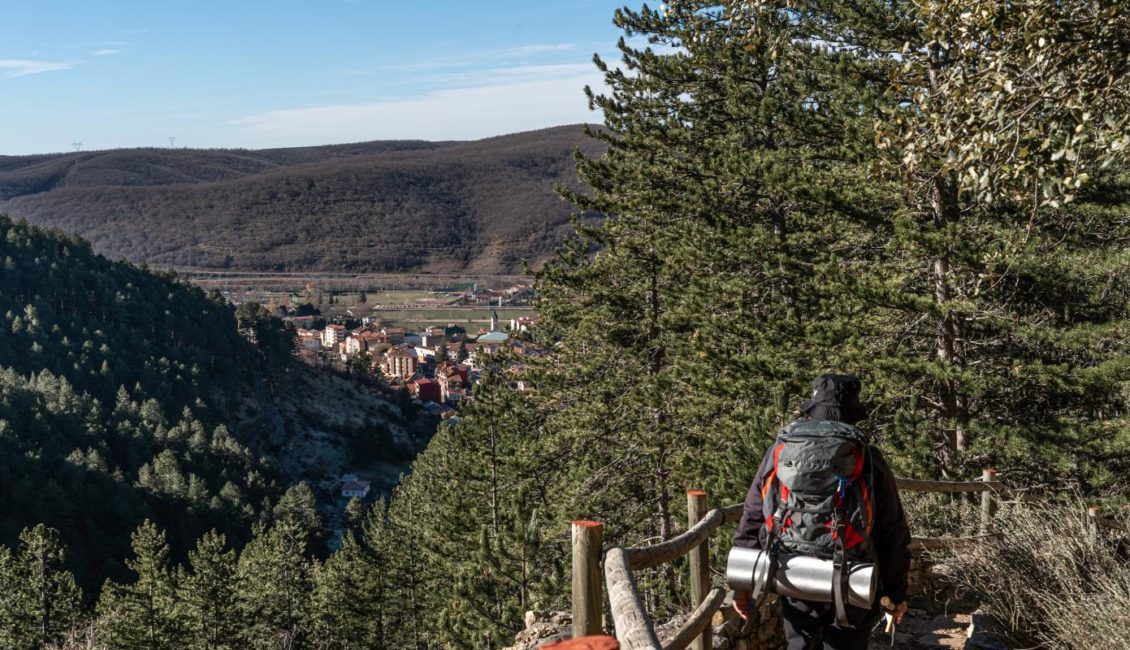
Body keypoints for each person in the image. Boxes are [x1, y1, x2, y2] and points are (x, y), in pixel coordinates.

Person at [731, 374, 911, 650]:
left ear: (812, 409)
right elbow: (891, 531)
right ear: (852, 413)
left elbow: (755, 513)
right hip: (853, 577)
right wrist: (895, 593)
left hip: (794, 573)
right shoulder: (868, 457)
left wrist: (743, 582)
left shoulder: (781, 451)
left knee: (798, 643)